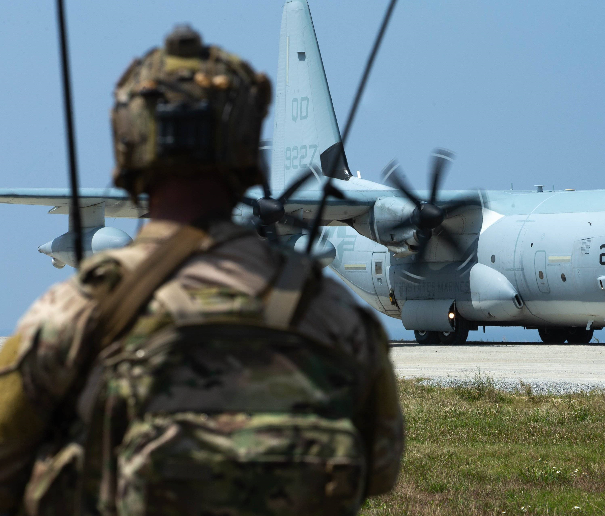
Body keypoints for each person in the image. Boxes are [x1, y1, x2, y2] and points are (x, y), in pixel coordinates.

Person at [0, 26, 403, 515]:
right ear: (247, 145)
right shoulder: (334, 314)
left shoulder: (73, 313)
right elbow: (381, 467)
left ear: (128, 143)